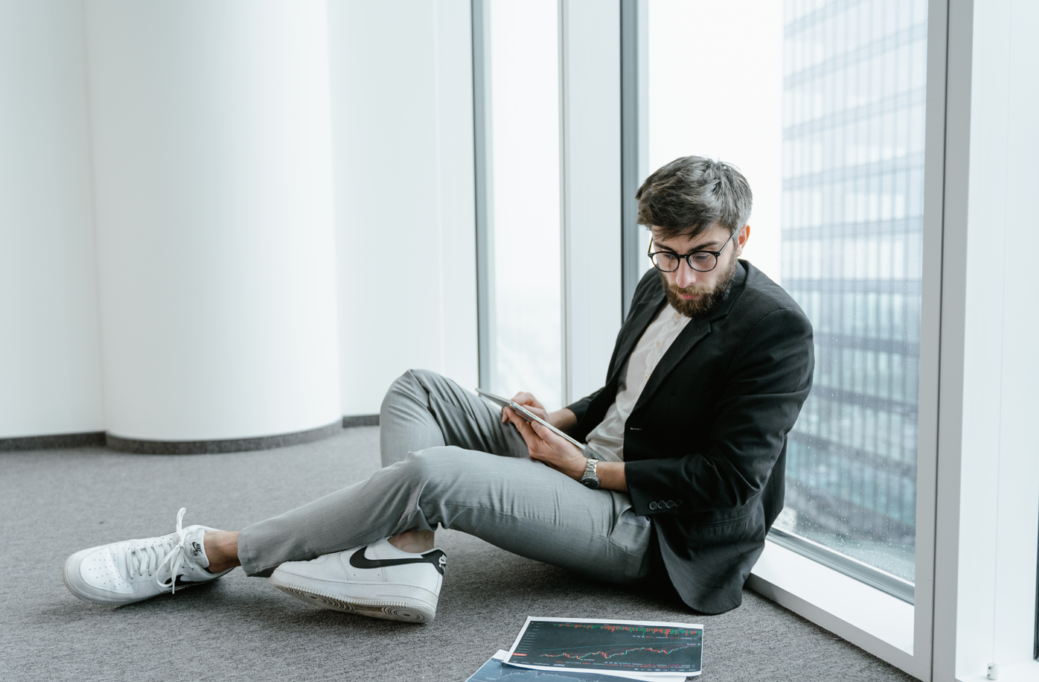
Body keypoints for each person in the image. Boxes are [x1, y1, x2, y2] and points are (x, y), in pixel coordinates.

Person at [62, 156, 814, 621]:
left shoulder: (778, 330)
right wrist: (553, 420)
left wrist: (585, 468)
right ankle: (406, 554)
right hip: (583, 455)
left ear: (741, 237)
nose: (681, 276)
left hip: (650, 526)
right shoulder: (660, 284)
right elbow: (627, 391)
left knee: (432, 473)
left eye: (702, 257)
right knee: (417, 387)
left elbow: (728, 479)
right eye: (666, 254)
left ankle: (215, 551)